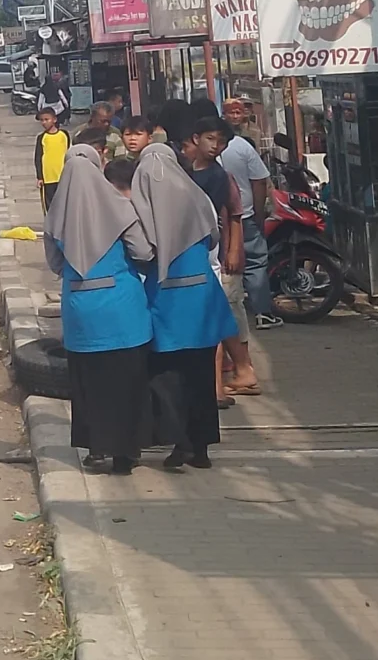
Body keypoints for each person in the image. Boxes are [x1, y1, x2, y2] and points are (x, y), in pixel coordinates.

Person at [129, 142, 239, 471]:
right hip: (202, 295)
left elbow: (143, 253)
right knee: (202, 374)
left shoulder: (144, 205)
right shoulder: (197, 196)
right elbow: (214, 237)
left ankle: (181, 443)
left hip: (167, 298)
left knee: (166, 376)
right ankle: (202, 448)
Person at [45, 145, 154, 475]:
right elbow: (144, 252)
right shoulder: (120, 208)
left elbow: (55, 264)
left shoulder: (56, 216)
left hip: (81, 309)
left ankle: (96, 448)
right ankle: (127, 452)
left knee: (89, 383)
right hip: (123, 308)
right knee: (127, 379)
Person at [182, 117, 260, 400]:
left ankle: (240, 371)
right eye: (210, 139)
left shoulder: (219, 176)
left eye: (221, 142)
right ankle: (235, 374)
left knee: (224, 312)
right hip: (204, 252)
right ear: (195, 139)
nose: (215, 146)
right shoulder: (189, 172)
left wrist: (234, 249)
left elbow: (234, 215)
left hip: (218, 252)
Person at [218, 99, 282, 332]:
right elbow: (259, 182)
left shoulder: (202, 151)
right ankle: (263, 313)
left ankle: (228, 313)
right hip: (243, 216)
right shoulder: (242, 147)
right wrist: (256, 212)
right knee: (255, 264)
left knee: (224, 265)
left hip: (217, 220)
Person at [34, 106, 70, 216]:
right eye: (42, 120)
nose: (44, 122)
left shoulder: (64, 135)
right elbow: (38, 158)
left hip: (63, 175)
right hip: (48, 177)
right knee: (50, 205)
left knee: (64, 203)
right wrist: (40, 177)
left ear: (54, 119)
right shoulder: (41, 138)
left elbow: (69, 153)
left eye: (46, 119)